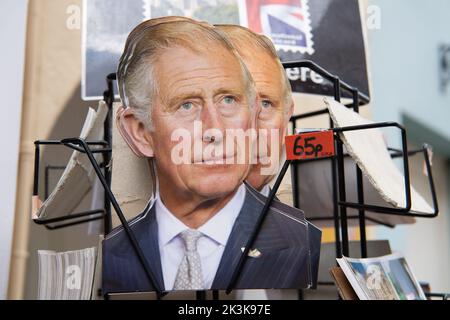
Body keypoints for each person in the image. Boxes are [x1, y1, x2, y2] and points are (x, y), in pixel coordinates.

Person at [102, 18, 315, 294]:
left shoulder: (297, 240)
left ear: (288, 115)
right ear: (141, 131)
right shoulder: (118, 253)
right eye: (187, 104)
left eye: (229, 99)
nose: (220, 130)